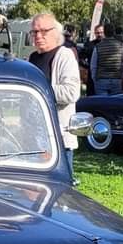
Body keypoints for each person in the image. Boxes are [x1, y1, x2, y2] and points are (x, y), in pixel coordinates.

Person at [27, 12, 81, 170]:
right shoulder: (32, 58)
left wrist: (39, 91)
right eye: (35, 32)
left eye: (44, 31)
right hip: (33, 135)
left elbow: (71, 92)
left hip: (57, 136)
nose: (38, 35)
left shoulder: (64, 55)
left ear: (56, 32)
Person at [89, 24, 123, 96]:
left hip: (101, 80)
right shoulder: (120, 45)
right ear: (113, 32)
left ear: (104, 32)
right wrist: (121, 75)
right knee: (114, 104)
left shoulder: (98, 47)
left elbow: (93, 65)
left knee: (102, 104)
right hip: (116, 80)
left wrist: (94, 78)